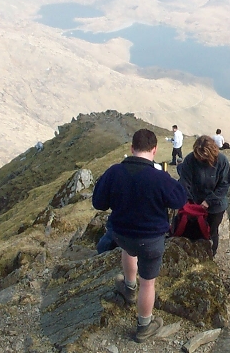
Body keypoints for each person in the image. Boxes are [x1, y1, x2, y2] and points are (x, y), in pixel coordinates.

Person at [92, 129, 187, 342]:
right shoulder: (160, 177)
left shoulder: (114, 172)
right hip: (151, 239)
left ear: (131, 148)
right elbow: (180, 200)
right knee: (149, 283)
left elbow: (98, 203)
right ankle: (144, 325)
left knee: (128, 250)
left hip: (121, 234)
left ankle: (128, 287)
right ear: (154, 150)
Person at [178, 135, 230, 256]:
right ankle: (193, 257)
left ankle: (210, 255)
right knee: (193, 232)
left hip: (215, 206)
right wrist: (189, 201)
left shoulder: (221, 161)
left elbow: (224, 185)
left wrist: (209, 201)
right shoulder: (190, 160)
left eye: (204, 156)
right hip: (194, 205)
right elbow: (184, 181)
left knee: (211, 233)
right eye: (199, 155)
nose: (201, 158)